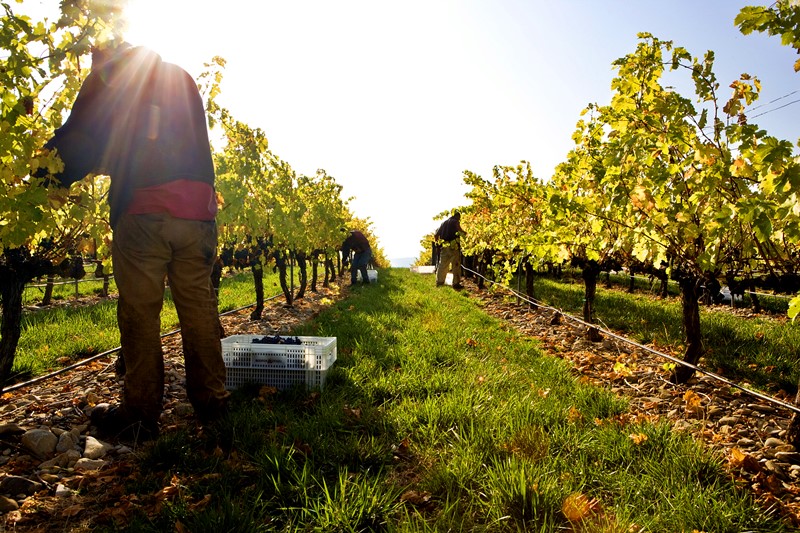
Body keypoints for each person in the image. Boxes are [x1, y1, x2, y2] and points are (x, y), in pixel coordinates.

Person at [39, 41, 229, 442]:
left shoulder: (110, 78)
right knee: (198, 308)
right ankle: (213, 405)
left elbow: (83, 139)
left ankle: (140, 414)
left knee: (141, 314)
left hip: (145, 212)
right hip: (198, 213)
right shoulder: (181, 78)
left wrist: (44, 174)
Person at [434, 211, 466, 289]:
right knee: (456, 265)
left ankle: (440, 282)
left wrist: (438, 244)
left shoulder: (444, 223)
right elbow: (459, 229)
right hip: (454, 246)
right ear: (458, 217)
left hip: (444, 246)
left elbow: (436, 235)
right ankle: (456, 283)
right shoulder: (455, 221)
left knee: (442, 265)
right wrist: (465, 233)